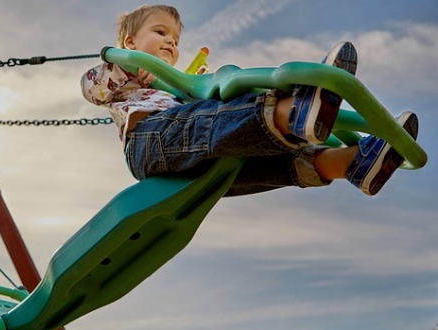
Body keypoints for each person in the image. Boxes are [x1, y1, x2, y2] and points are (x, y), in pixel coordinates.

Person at [81, 5, 418, 196]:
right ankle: (292, 112)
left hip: (191, 165)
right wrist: (125, 63)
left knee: (251, 163)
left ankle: (351, 162)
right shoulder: (118, 76)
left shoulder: (176, 85)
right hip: (149, 146)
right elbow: (91, 88)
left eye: (175, 38)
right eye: (160, 33)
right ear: (129, 42)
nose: (170, 42)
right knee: (214, 117)